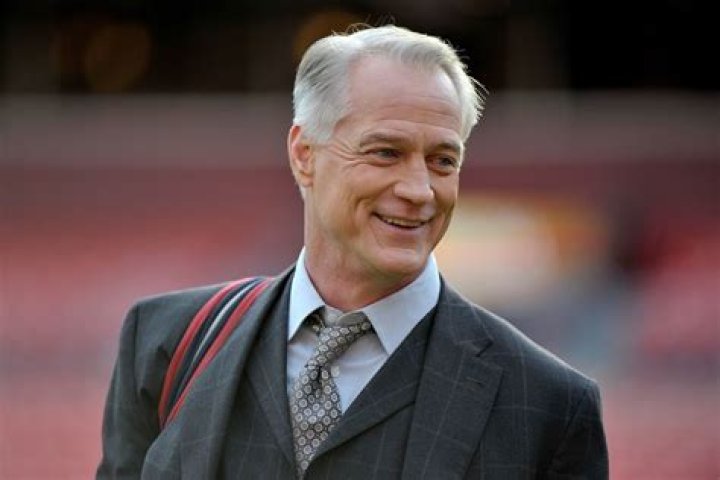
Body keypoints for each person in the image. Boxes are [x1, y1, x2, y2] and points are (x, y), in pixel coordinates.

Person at [97, 25, 608, 479]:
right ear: (304, 154)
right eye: (386, 152)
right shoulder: (165, 342)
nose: (419, 190)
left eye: (442, 160)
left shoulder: (550, 407)